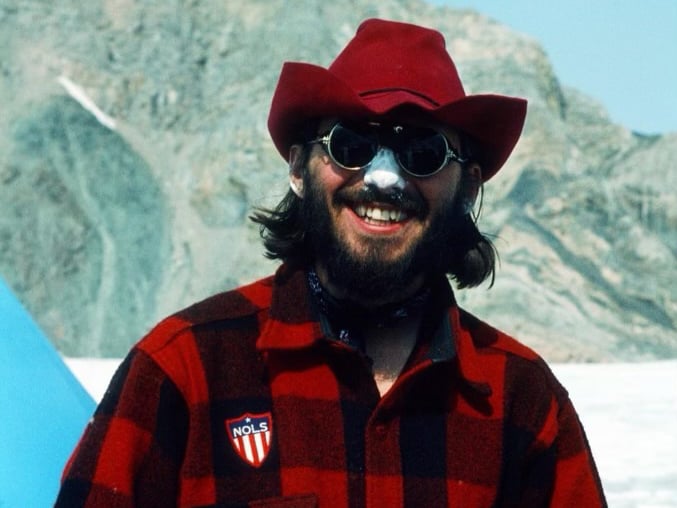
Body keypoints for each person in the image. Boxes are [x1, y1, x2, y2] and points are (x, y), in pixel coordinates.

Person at [56, 18, 606, 507]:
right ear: (299, 168)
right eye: (351, 145)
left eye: (422, 153)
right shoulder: (184, 371)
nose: (384, 180)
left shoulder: (522, 401)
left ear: (467, 188)